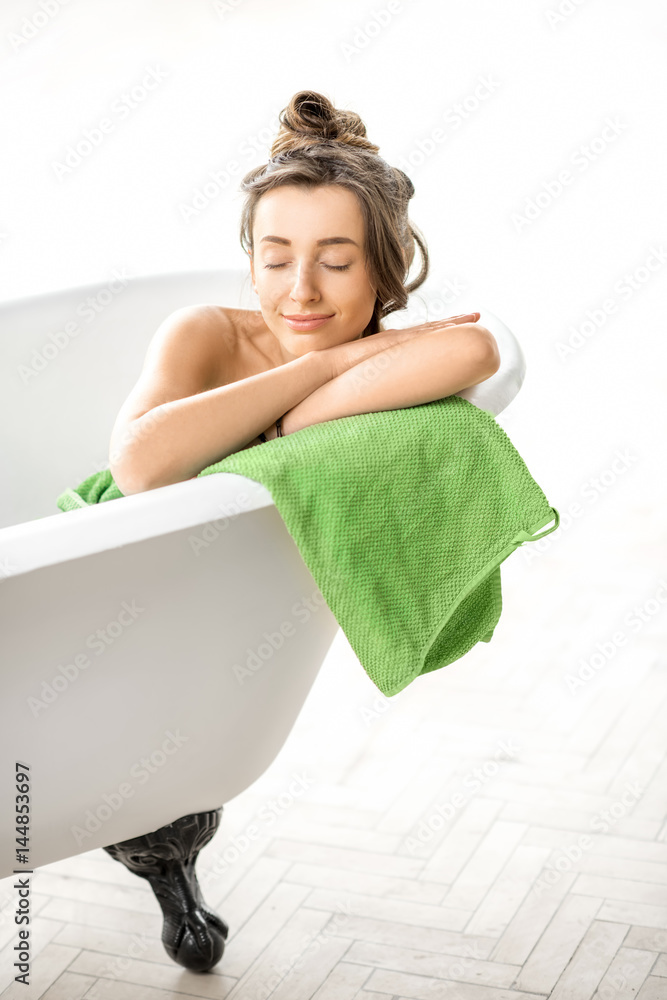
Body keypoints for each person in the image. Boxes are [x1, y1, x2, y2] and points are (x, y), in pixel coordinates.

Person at [109, 90, 499, 496]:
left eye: (335, 264)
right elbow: (134, 467)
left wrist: (280, 426)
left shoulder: (397, 363)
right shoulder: (205, 334)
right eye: (277, 261)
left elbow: (475, 349)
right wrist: (324, 367)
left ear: (393, 263)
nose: (302, 292)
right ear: (253, 269)